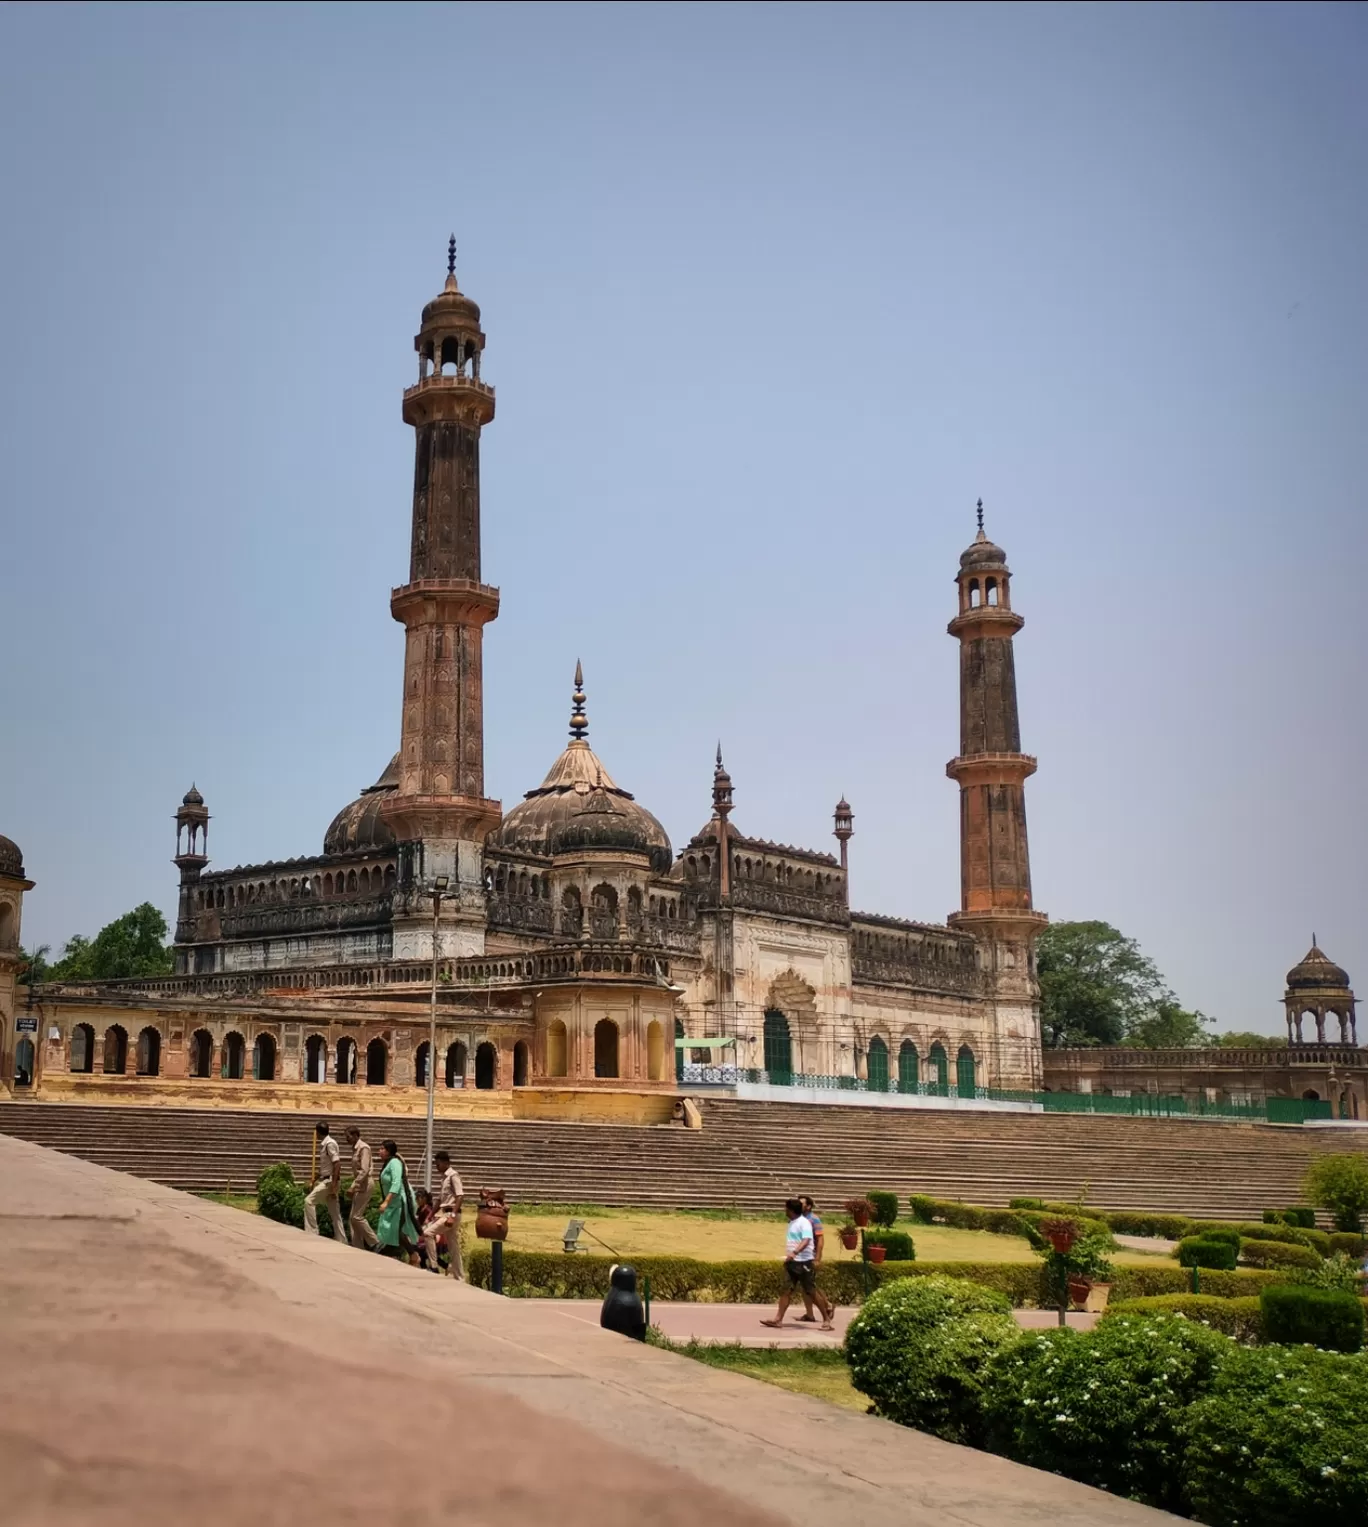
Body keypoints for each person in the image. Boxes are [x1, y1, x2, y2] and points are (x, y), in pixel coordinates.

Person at [762, 1198, 833, 1331]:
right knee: (786, 1291)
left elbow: (806, 1240)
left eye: (786, 1209)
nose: (785, 1210)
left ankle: (826, 1319)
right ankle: (778, 1319)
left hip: (803, 1262)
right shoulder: (792, 1222)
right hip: (792, 1262)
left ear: (790, 1210)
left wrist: (795, 1252)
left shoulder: (804, 1223)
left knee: (811, 1292)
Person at [423, 1149, 465, 1279]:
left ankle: (434, 1266)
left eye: (438, 1164)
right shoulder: (444, 1178)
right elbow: (440, 1200)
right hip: (446, 1212)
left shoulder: (453, 1176)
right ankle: (459, 1276)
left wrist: (452, 1216)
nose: (437, 1167)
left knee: (428, 1233)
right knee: (453, 1246)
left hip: (451, 1214)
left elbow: (460, 1196)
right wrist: (430, 1215)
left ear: (445, 1162)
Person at [795, 1194, 836, 1327]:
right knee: (805, 1285)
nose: (799, 1205)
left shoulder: (814, 1219)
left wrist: (818, 1257)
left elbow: (820, 1239)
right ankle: (810, 1314)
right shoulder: (799, 1219)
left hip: (810, 1256)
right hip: (801, 1256)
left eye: (801, 1204)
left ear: (808, 1206)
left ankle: (827, 1306)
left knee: (809, 1285)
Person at [376, 1139, 419, 1262]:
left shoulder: (395, 1163)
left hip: (399, 1202)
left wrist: (386, 1201)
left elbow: (396, 1183)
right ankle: (406, 1255)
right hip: (392, 1204)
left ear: (389, 1151)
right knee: (392, 1231)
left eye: (382, 1149)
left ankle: (413, 1255)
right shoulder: (388, 1163)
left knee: (396, 1231)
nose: (379, 1151)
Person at [304, 1121, 347, 1243]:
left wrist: (333, 1185)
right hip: (327, 1179)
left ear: (318, 1132)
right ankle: (342, 1240)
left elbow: (337, 1164)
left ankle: (312, 1232)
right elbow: (325, 1166)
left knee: (308, 1201)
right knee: (335, 1212)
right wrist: (315, 1178)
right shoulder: (326, 1144)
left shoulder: (329, 1144)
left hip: (329, 1182)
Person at [344, 1126, 379, 1251]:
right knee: (352, 1218)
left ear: (355, 1135)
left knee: (357, 1216)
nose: (346, 1139)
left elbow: (364, 1170)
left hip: (364, 1183)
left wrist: (353, 1186)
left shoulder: (363, 1148)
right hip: (360, 1184)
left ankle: (374, 1241)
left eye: (348, 1136)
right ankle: (357, 1247)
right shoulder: (355, 1149)